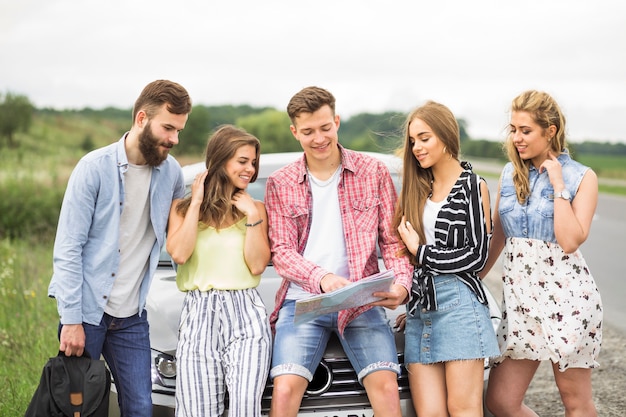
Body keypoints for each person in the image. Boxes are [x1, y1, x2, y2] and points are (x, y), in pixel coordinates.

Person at [264, 86, 412, 417]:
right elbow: (282, 252)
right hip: (302, 303)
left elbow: (392, 242)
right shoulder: (280, 182)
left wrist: (402, 285)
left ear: (337, 122)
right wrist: (323, 278)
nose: (318, 138)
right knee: (285, 389)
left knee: (387, 388)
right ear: (294, 132)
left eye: (325, 127)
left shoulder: (372, 172)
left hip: (361, 302)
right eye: (308, 131)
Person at [48, 79, 192, 417]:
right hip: (87, 314)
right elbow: (68, 248)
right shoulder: (93, 169)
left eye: (179, 130)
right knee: (78, 409)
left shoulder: (171, 174)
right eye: (168, 127)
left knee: (140, 408)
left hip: (132, 317)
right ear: (142, 119)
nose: (174, 139)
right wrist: (71, 321)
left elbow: (178, 241)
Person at [482, 90, 603, 417]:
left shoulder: (582, 177)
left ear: (550, 131)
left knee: (575, 401)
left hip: (568, 301)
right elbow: (497, 236)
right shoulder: (510, 174)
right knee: (501, 401)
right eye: (514, 130)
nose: (517, 138)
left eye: (526, 130)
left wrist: (557, 184)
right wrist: (473, 280)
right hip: (522, 304)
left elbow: (570, 241)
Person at [392, 101, 500, 416]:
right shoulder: (417, 188)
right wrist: (412, 297)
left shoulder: (473, 186)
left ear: (445, 135)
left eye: (424, 138)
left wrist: (421, 252)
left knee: (463, 409)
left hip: (460, 308)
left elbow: (476, 256)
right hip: (421, 310)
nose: (416, 147)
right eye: (412, 141)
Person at [166, 125, 272, 417]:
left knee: (245, 410)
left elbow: (258, 264)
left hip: (246, 314)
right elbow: (180, 253)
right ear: (220, 160)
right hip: (199, 314)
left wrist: (251, 216)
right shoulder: (182, 209)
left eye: (253, 162)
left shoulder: (257, 209)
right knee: (196, 411)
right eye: (242, 161)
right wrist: (197, 202)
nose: (250, 169)